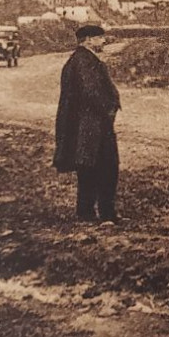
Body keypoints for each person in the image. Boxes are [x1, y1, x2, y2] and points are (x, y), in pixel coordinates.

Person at [53, 24, 121, 224]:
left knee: (88, 168)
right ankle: (105, 213)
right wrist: (108, 109)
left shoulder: (80, 59)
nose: (104, 41)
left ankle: (87, 212)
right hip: (93, 125)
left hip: (86, 125)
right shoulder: (85, 61)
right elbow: (91, 93)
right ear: (89, 40)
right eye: (100, 38)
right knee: (107, 167)